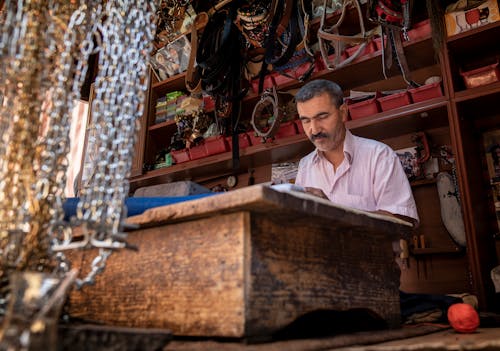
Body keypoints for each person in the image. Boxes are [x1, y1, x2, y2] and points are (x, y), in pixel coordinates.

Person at [294, 79, 419, 225]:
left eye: (322, 117)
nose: (314, 130)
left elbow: (403, 220)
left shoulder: (379, 155)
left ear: (343, 113)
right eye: (306, 121)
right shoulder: (305, 166)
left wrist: (335, 213)